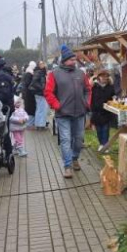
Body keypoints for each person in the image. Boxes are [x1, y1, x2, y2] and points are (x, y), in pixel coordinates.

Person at [44, 46, 92, 178]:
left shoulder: (81, 74)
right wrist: (56, 105)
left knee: (78, 139)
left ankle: (75, 157)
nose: (74, 61)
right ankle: (67, 166)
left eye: (74, 59)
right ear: (64, 60)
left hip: (80, 113)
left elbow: (88, 89)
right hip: (63, 113)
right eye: (71, 59)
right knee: (65, 140)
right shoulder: (54, 74)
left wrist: (87, 102)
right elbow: (48, 92)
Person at [91, 69, 116, 152]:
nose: (104, 78)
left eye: (106, 76)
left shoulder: (110, 87)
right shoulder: (94, 86)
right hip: (96, 112)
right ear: (98, 77)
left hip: (106, 112)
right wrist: (93, 77)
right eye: (102, 76)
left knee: (105, 129)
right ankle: (101, 143)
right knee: (99, 130)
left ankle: (105, 145)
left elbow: (113, 97)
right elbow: (88, 85)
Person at [29, 61, 48, 130]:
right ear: (38, 65)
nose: (43, 65)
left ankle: (39, 124)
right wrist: (42, 88)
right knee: (42, 109)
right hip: (40, 93)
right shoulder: (39, 72)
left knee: (40, 108)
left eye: (43, 63)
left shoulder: (40, 72)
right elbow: (34, 82)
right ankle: (40, 125)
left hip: (39, 93)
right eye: (41, 64)